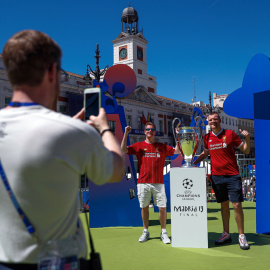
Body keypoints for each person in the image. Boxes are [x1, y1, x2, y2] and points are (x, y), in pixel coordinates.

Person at [0, 30, 125, 269]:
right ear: (50, 73)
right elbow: (116, 170)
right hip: (59, 261)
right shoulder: (73, 133)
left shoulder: (70, 132)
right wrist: (104, 129)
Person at [193, 112, 250, 250]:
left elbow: (246, 151)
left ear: (220, 120)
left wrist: (247, 138)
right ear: (208, 122)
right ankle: (226, 233)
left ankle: (241, 235)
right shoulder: (207, 137)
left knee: (236, 205)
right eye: (210, 120)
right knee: (224, 205)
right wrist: (193, 163)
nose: (213, 121)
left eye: (215, 119)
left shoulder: (230, 134)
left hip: (232, 175)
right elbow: (205, 153)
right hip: (217, 176)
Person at [121, 122, 180, 244]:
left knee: (162, 208)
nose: (150, 131)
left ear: (155, 132)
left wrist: (178, 137)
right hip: (143, 182)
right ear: (145, 131)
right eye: (147, 129)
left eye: (152, 129)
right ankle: (145, 231)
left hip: (158, 182)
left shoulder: (162, 146)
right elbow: (123, 149)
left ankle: (163, 232)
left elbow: (176, 152)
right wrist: (126, 133)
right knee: (144, 208)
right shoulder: (139, 146)